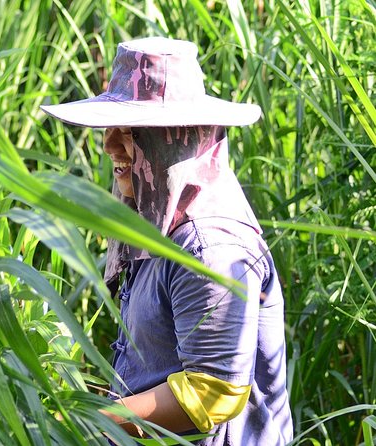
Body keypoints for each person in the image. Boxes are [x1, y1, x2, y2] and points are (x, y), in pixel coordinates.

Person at [41, 37, 293, 444]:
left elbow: (212, 393)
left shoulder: (209, 248)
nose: (109, 144)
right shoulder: (158, 227)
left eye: (133, 131)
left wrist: (83, 419)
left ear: (180, 139)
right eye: (110, 127)